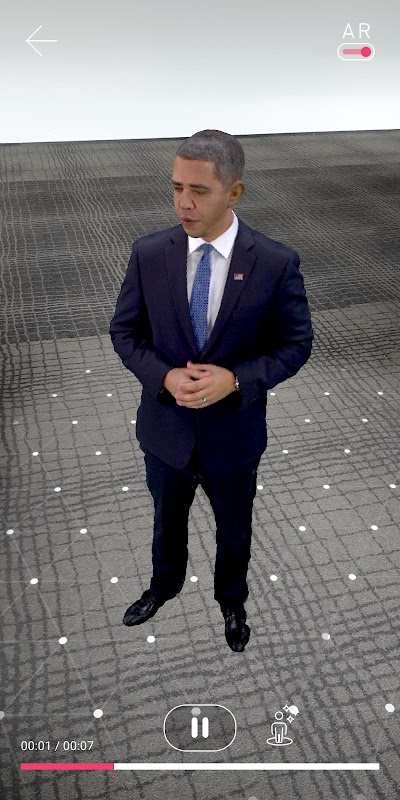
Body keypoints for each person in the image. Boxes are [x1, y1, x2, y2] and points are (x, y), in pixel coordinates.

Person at [109, 129, 313, 652]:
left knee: (235, 529)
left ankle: (232, 601)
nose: (183, 202)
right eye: (176, 187)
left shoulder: (275, 263)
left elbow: (296, 345)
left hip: (233, 437)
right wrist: (163, 376)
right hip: (166, 432)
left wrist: (237, 379)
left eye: (198, 191)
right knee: (166, 522)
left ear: (234, 192)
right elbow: (125, 332)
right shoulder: (149, 253)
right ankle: (163, 587)